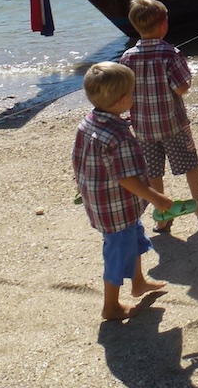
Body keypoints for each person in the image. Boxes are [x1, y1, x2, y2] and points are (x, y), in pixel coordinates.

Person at [72, 61, 171, 320]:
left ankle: (138, 283)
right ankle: (111, 306)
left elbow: (79, 159)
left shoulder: (89, 122)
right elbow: (126, 178)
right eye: (132, 91)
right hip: (116, 205)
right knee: (117, 251)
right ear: (122, 99)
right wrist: (157, 197)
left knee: (135, 236)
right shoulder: (118, 136)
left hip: (103, 201)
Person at [120, 0, 198, 232]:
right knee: (189, 163)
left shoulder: (127, 57)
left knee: (153, 172)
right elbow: (182, 87)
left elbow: (125, 92)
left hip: (143, 128)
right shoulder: (171, 54)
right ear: (164, 24)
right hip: (173, 124)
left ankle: (161, 216)